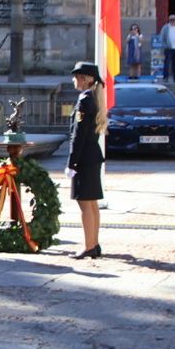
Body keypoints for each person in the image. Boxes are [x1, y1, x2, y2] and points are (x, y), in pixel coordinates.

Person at [66, 61, 106, 259]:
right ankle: (94, 243)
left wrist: (71, 162)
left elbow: (78, 135)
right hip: (92, 155)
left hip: (84, 158)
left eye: (76, 76)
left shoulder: (84, 100)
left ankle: (89, 245)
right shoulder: (93, 98)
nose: (74, 80)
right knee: (92, 203)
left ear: (83, 79)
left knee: (85, 204)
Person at [157, 15, 175, 81]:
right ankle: (165, 77)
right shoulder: (166, 27)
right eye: (171, 19)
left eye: (173, 19)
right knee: (167, 63)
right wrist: (165, 45)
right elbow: (162, 37)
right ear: (169, 20)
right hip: (168, 48)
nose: (172, 20)